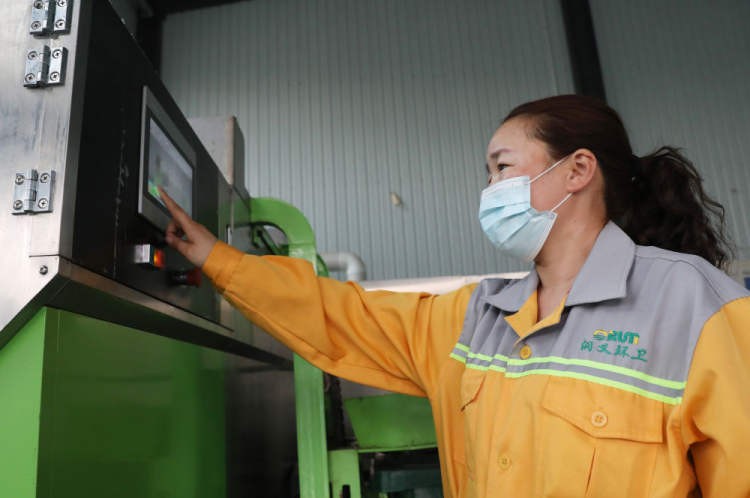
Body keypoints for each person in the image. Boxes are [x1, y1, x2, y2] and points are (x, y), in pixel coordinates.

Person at [158, 94, 750, 498]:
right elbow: (338, 314)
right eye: (487, 174)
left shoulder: (696, 306)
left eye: (501, 167)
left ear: (577, 171)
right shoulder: (476, 318)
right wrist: (219, 259)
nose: (490, 189)